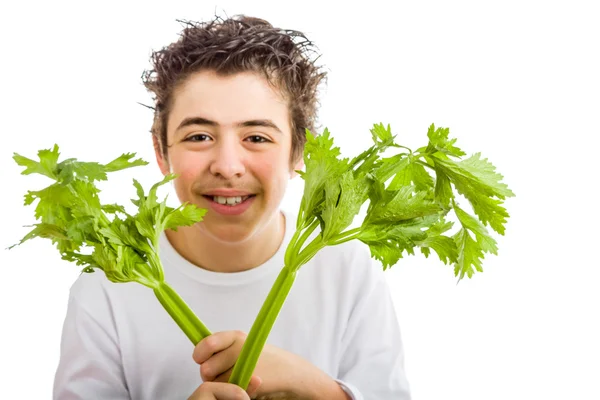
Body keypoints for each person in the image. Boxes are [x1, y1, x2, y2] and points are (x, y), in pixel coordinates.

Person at [53, 15, 412, 400]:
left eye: (256, 137)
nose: (227, 165)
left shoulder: (348, 268)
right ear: (161, 151)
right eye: (200, 136)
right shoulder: (109, 285)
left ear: (299, 152)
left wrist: (313, 385)